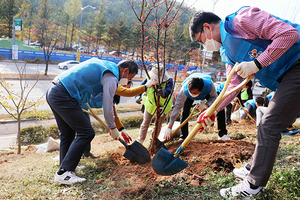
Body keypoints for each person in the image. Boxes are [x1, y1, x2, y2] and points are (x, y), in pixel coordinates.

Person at [189, 6, 300, 199]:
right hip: (287, 76)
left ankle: (253, 185)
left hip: (297, 64)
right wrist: (212, 110)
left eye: (200, 40)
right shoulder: (227, 53)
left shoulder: (242, 20)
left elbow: (290, 34)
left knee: (269, 124)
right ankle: (253, 167)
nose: (204, 45)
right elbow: (233, 85)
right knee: (266, 121)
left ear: (207, 27)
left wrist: (257, 63)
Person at [46, 58, 140, 185]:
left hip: (54, 90)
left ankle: (67, 166)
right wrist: (112, 128)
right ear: (125, 71)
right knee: (86, 133)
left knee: (67, 133)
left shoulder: (106, 67)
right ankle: (64, 172)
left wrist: (119, 128)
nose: (128, 81)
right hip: (63, 94)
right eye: (130, 78)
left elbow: (110, 106)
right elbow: (107, 107)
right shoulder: (111, 77)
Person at [164, 73, 228, 141]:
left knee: (219, 106)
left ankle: (222, 134)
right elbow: (177, 108)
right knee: (185, 112)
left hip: (206, 93)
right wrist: (169, 127)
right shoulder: (184, 91)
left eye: (194, 93)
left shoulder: (209, 85)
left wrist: (206, 105)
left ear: (201, 90)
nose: (192, 94)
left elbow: (214, 97)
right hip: (188, 96)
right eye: (191, 92)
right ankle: (183, 137)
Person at [135, 64, 173, 145]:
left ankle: (153, 143)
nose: (154, 79)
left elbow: (168, 91)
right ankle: (140, 141)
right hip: (150, 105)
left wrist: (163, 93)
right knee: (145, 123)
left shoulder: (169, 81)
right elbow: (140, 88)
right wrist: (137, 97)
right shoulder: (148, 79)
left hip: (163, 106)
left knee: (158, 126)